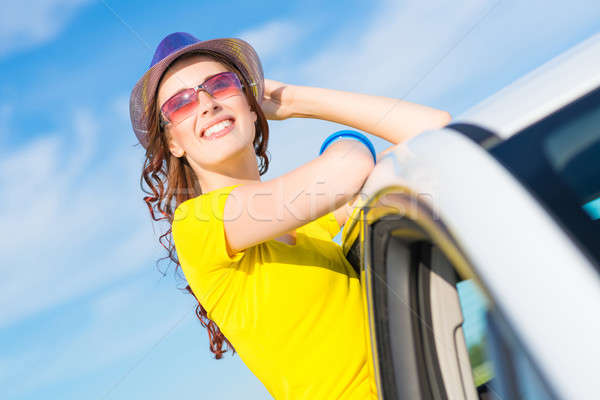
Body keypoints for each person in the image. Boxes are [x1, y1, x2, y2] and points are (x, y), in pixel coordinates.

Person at [129, 32, 451, 399]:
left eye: (219, 84)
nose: (205, 103)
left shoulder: (310, 222)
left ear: (252, 107)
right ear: (173, 143)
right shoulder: (196, 224)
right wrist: (342, 142)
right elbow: (347, 168)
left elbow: (435, 130)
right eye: (181, 104)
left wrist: (296, 99)